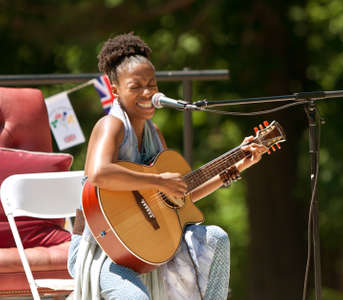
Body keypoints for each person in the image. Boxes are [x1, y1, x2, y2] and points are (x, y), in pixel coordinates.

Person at [67, 32, 267, 300]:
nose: (148, 92)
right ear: (114, 89)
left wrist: (237, 165)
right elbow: (99, 173)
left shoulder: (155, 133)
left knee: (216, 237)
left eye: (151, 84)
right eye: (136, 86)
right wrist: (159, 181)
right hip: (102, 251)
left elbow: (179, 197)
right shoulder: (111, 125)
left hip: (146, 247)